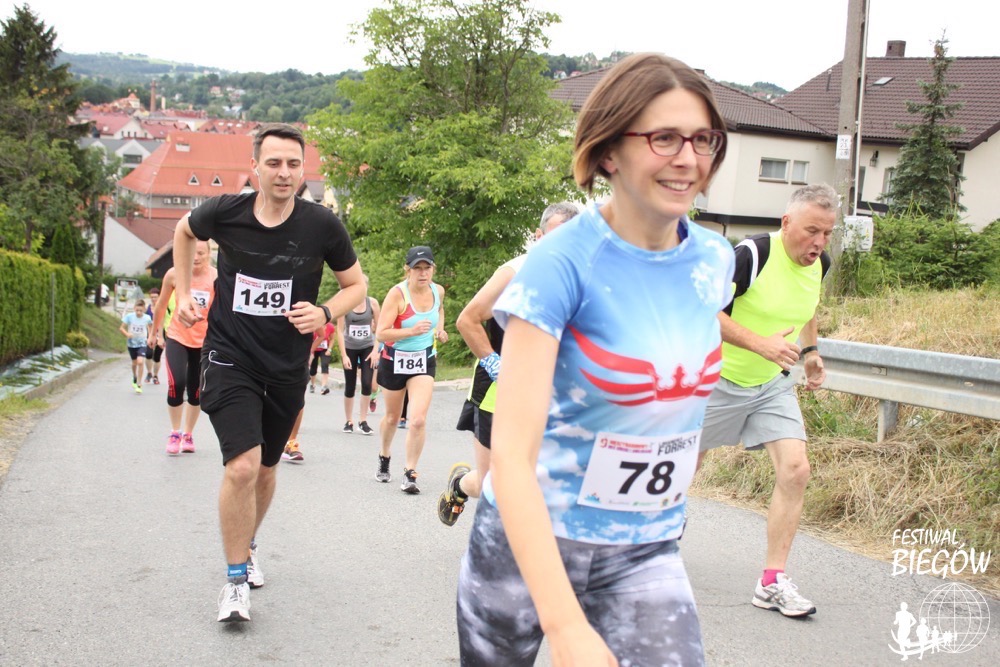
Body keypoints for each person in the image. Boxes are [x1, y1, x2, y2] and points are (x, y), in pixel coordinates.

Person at [456, 53, 735, 666]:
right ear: (609, 151)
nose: (688, 158)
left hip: (646, 544)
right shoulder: (560, 263)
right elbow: (512, 456)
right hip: (529, 540)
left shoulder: (715, 260)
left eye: (703, 139)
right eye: (664, 138)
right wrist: (565, 628)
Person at [171, 122, 365, 623]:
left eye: (293, 164)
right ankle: (235, 582)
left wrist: (324, 312)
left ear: (303, 171)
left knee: (265, 468)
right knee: (242, 464)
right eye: (274, 162)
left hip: (286, 365)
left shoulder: (322, 225)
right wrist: (185, 293)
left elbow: (357, 287)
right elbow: (184, 231)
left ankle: (249, 543)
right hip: (229, 354)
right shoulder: (226, 212)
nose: (284, 172)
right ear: (254, 166)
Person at [697, 183, 835, 619]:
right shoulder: (751, 255)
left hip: (771, 384)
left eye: (827, 233)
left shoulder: (819, 263)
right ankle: (649, 539)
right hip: (716, 379)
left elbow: (807, 305)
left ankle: (772, 581)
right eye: (812, 230)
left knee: (796, 470)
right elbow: (704, 310)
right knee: (683, 467)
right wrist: (760, 344)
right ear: (786, 222)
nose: (819, 242)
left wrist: (810, 352)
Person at [438, 202, 579, 526]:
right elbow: (467, 320)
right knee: (493, 484)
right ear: (538, 236)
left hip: (548, 392)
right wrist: (496, 366)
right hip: (498, 388)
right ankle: (460, 485)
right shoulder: (515, 272)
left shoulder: (581, 278)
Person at [374, 246, 448, 493]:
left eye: (427, 268)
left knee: (417, 419)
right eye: (417, 268)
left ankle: (410, 472)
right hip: (394, 359)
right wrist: (411, 331)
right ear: (408, 270)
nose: (423, 273)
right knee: (393, 418)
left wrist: (439, 330)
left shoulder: (438, 291)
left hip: (423, 359)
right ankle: (384, 455)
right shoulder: (397, 295)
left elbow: (439, 310)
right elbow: (381, 333)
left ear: (433, 269)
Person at [149, 241, 217, 455]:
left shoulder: (216, 277)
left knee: (196, 391)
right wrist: (154, 333)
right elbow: (161, 305)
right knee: (176, 383)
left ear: (209, 254)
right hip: (177, 336)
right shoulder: (174, 274)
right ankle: (175, 432)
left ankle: (188, 433)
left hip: (204, 341)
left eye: (201, 253)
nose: (196, 257)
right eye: (192, 252)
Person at [336, 275, 381, 435]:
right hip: (350, 348)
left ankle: (363, 420)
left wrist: (376, 351)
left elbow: (380, 328)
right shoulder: (345, 304)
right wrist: (344, 355)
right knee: (350, 385)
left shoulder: (373, 303)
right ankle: (349, 421)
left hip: (368, 346)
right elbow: (339, 330)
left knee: (367, 383)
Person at [119, 300, 151, 394]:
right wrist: (127, 334)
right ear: (134, 309)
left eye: (141, 310)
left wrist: (150, 337)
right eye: (137, 310)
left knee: (140, 361)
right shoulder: (129, 317)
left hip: (142, 343)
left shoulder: (147, 318)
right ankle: (134, 376)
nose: (139, 312)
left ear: (144, 309)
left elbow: (150, 327)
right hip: (132, 343)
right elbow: (121, 328)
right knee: (134, 363)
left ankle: (139, 383)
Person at [309, 319, 335, 395]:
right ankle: (312, 384)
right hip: (314, 349)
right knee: (313, 368)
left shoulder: (330, 327)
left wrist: (329, 349)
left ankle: (323, 387)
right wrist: (311, 352)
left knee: (325, 364)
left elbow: (332, 339)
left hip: (324, 349)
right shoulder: (313, 325)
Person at [144, 287, 164, 384]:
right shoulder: (147, 308)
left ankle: (155, 375)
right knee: (148, 354)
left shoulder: (163, 308)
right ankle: (149, 373)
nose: (153, 299)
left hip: (160, 333)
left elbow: (164, 322)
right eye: (151, 297)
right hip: (149, 333)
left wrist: (161, 336)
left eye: (155, 297)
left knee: (157, 356)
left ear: (159, 297)